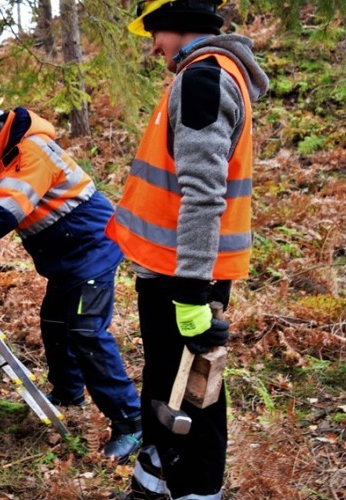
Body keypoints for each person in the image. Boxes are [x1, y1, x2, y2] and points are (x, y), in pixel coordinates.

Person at [0, 89, 143, 463]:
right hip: (65, 256)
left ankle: (131, 422)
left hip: (93, 247)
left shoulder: (30, 152)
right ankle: (69, 392)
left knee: (86, 332)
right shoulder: (0, 160)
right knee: (53, 322)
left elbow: (3, 214)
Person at [105, 1, 269, 498]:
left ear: (182, 24)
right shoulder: (200, 75)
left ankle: (198, 491)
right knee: (164, 386)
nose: (154, 46)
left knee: (195, 397)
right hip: (172, 268)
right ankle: (154, 484)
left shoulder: (203, 81)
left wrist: (195, 293)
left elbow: (202, 194)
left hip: (187, 274)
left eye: (156, 32)